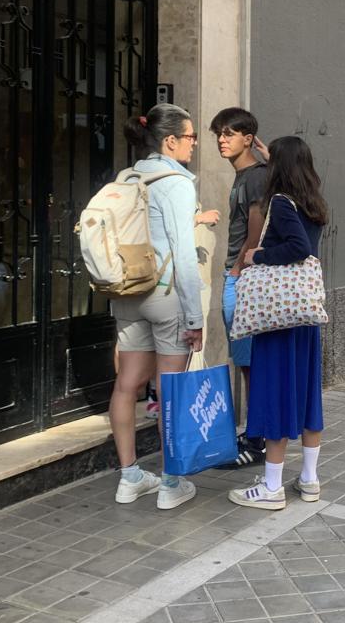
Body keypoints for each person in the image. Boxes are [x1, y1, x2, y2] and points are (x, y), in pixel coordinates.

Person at [108, 103, 205, 510]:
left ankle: (129, 477)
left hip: (128, 292)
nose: (194, 145)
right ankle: (170, 482)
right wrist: (195, 317)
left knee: (127, 384)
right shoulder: (177, 183)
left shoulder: (127, 177)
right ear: (170, 141)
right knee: (170, 391)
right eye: (190, 137)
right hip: (166, 295)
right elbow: (184, 254)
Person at [229, 136, 327, 510]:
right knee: (305, 394)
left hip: (278, 318)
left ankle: (271, 486)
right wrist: (278, 156)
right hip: (303, 315)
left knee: (274, 393)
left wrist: (257, 256)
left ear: (279, 169)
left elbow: (297, 248)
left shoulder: (282, 204)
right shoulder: (312, 202)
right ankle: (309, 478)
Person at [209, 107, 271, 469]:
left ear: (248, 138)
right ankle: (254, 434)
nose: (222, 139)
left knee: (250, 365)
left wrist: (236, 269)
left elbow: (256, 224)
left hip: (242, 279)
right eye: (219, 133)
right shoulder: (247, 175)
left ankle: (257, 441)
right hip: (240, 277)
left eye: (230, 133)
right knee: (247, 362)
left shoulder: (255, 177)